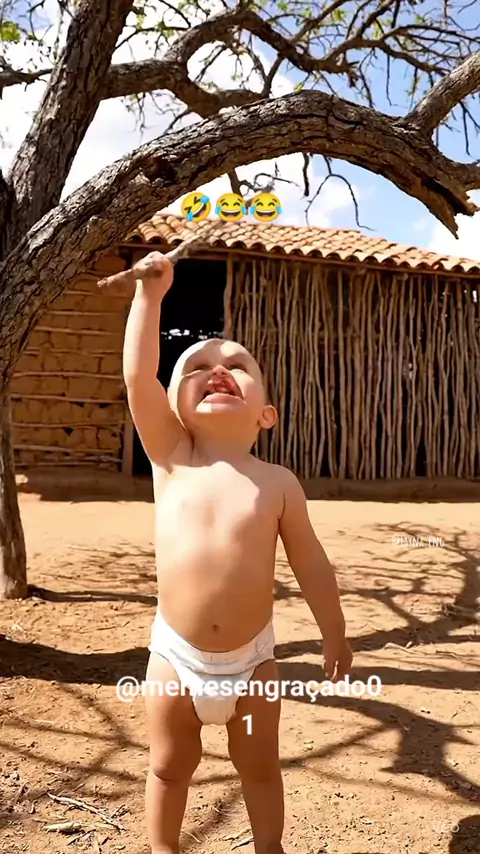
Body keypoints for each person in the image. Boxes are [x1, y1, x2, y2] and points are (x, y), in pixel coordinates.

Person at [116, 251, 352, 854]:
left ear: (266, 414)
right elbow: (139, 378)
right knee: (169, 766)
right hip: (176, 658)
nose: (218, 369)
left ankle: (269, 849)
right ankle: (164, 849)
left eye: (237, 366)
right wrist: (149, 297)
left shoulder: (278, 484)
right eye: (196, 367)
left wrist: (334, 634)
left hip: (253, 664)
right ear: (172, 407)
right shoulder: (172, 457)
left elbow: (310, 563)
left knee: (260, 766)